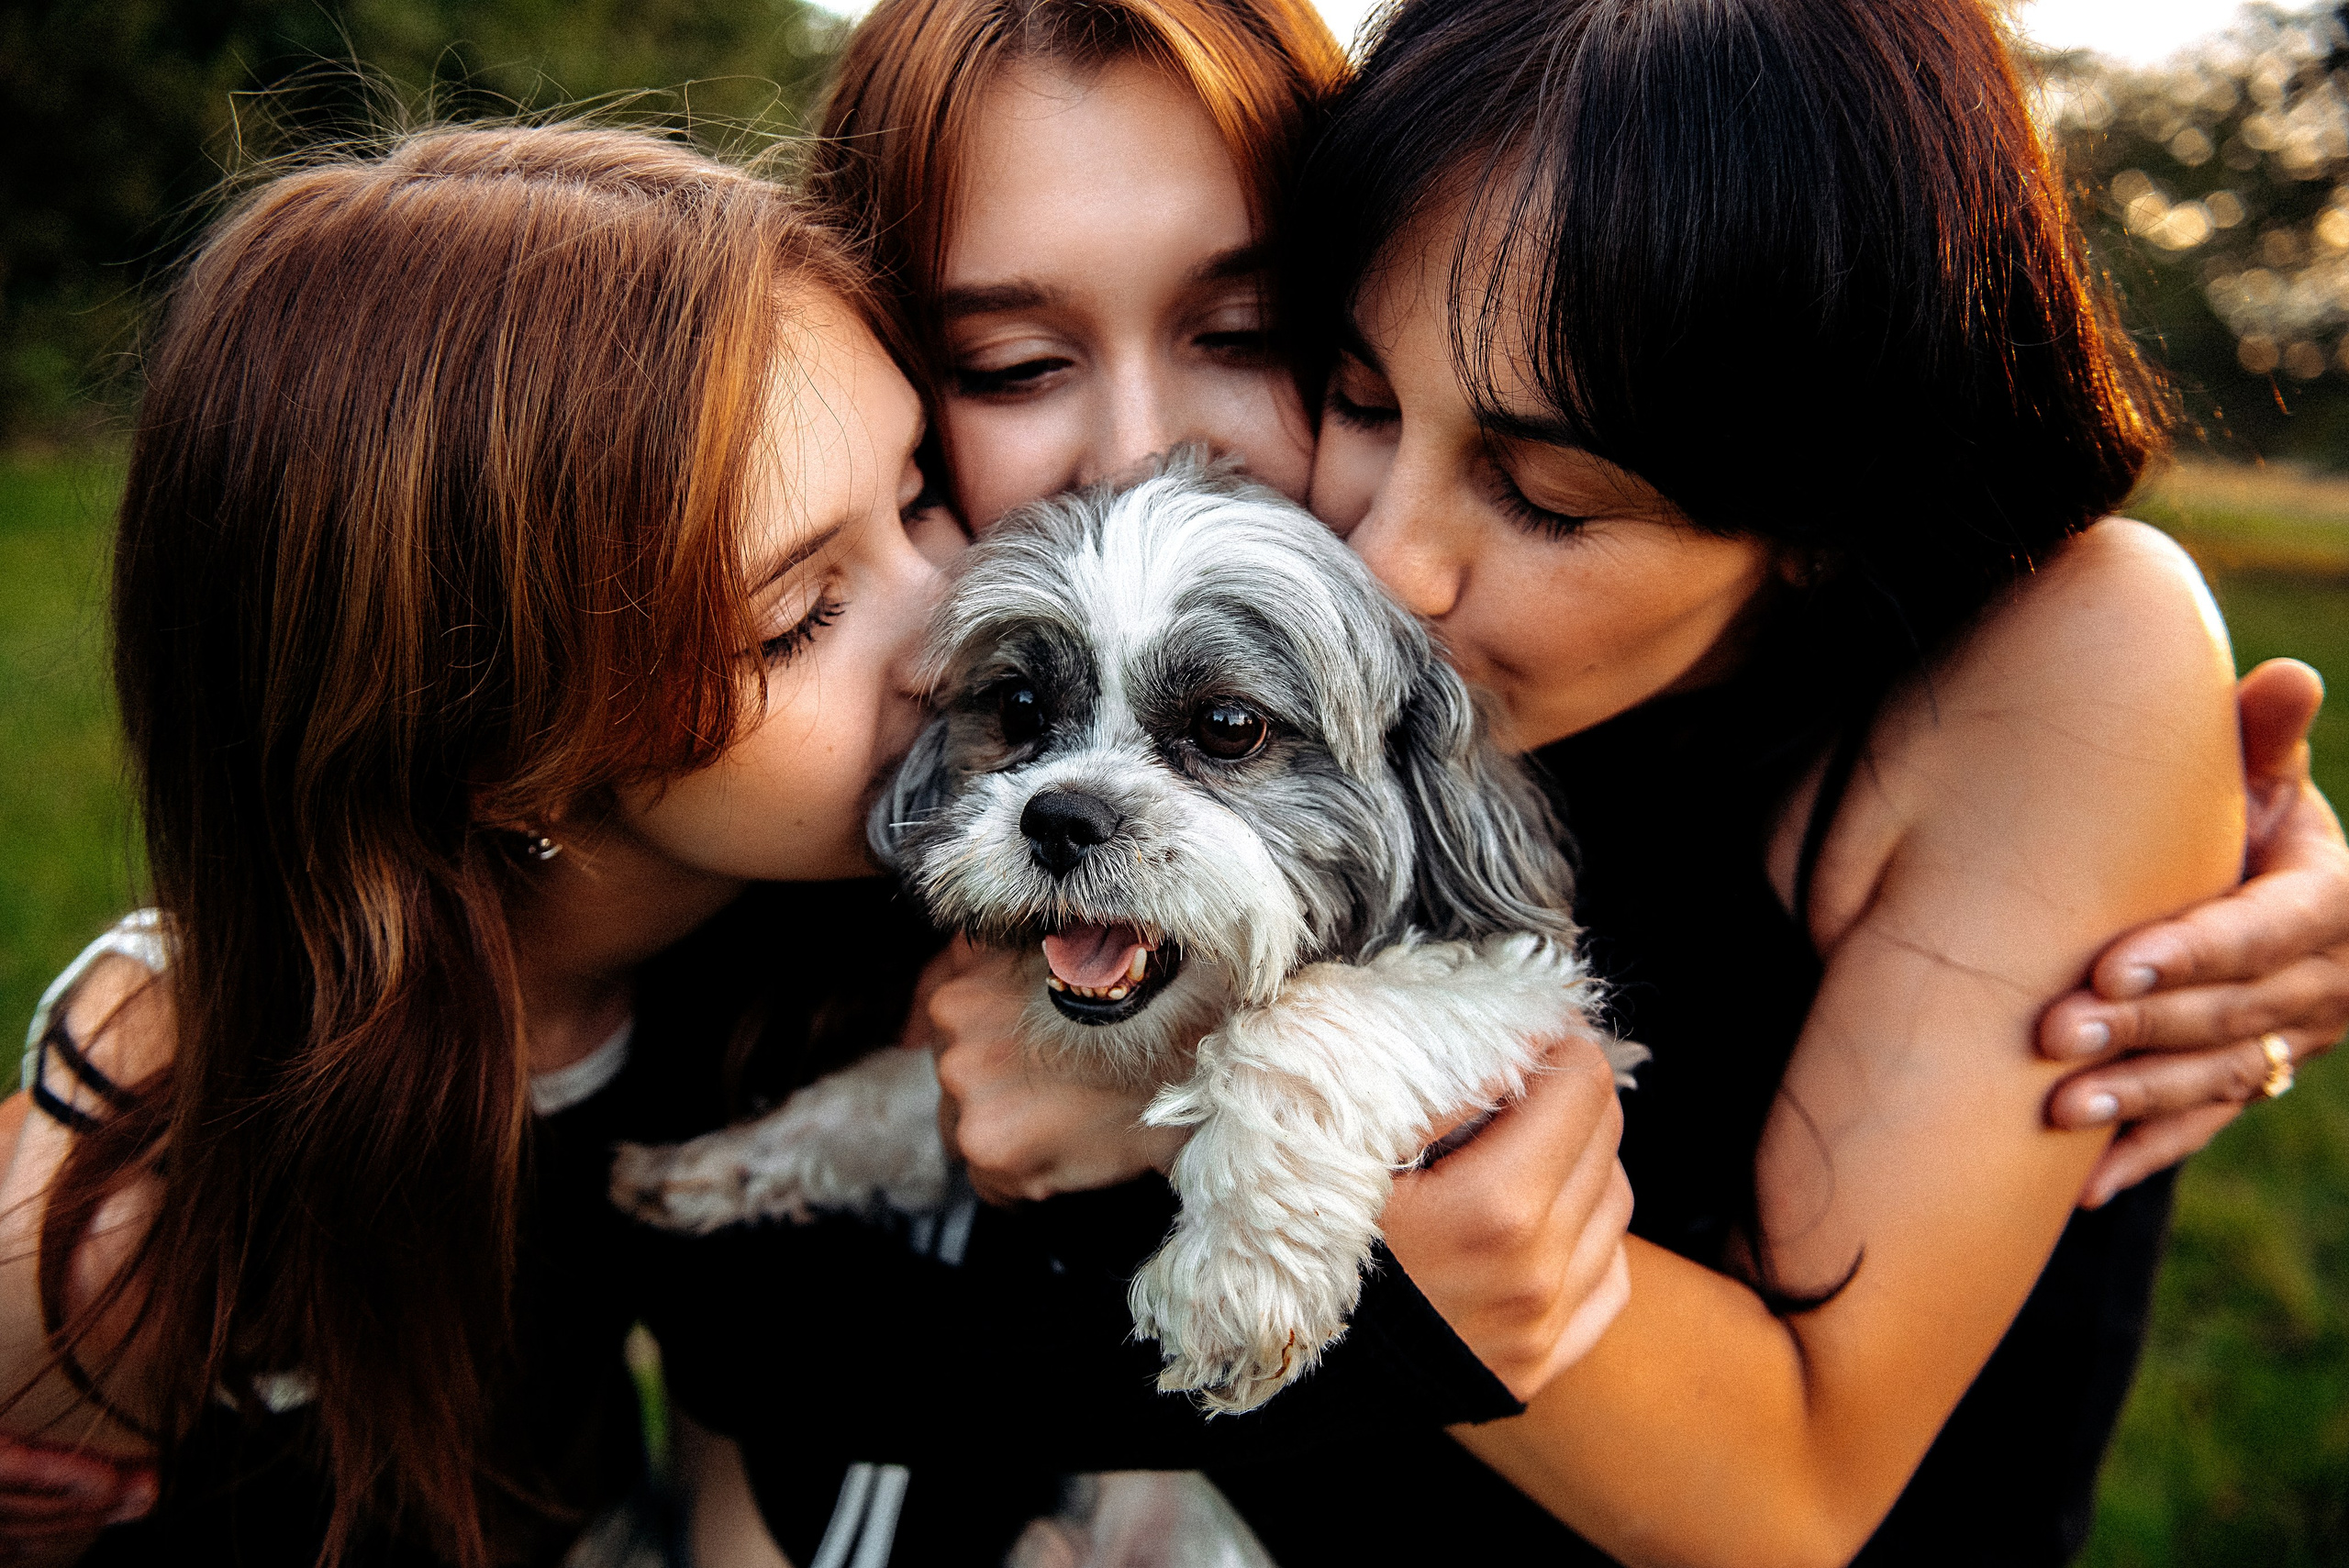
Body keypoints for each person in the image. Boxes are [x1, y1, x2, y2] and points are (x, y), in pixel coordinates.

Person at [663, 0, 2349, 1562]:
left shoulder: (2047, 663)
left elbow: (1789, 1502)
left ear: (1833, 504)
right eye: (1360, 394)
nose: (1387, 555)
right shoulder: (941, 697)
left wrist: (1178, 1101)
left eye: (1540, 488)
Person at [0, 122, 960, 1564]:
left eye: (918, 494)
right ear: (504, 751)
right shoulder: (147, 1190)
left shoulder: (820, 924)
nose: (955, 622)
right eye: (798, 616)